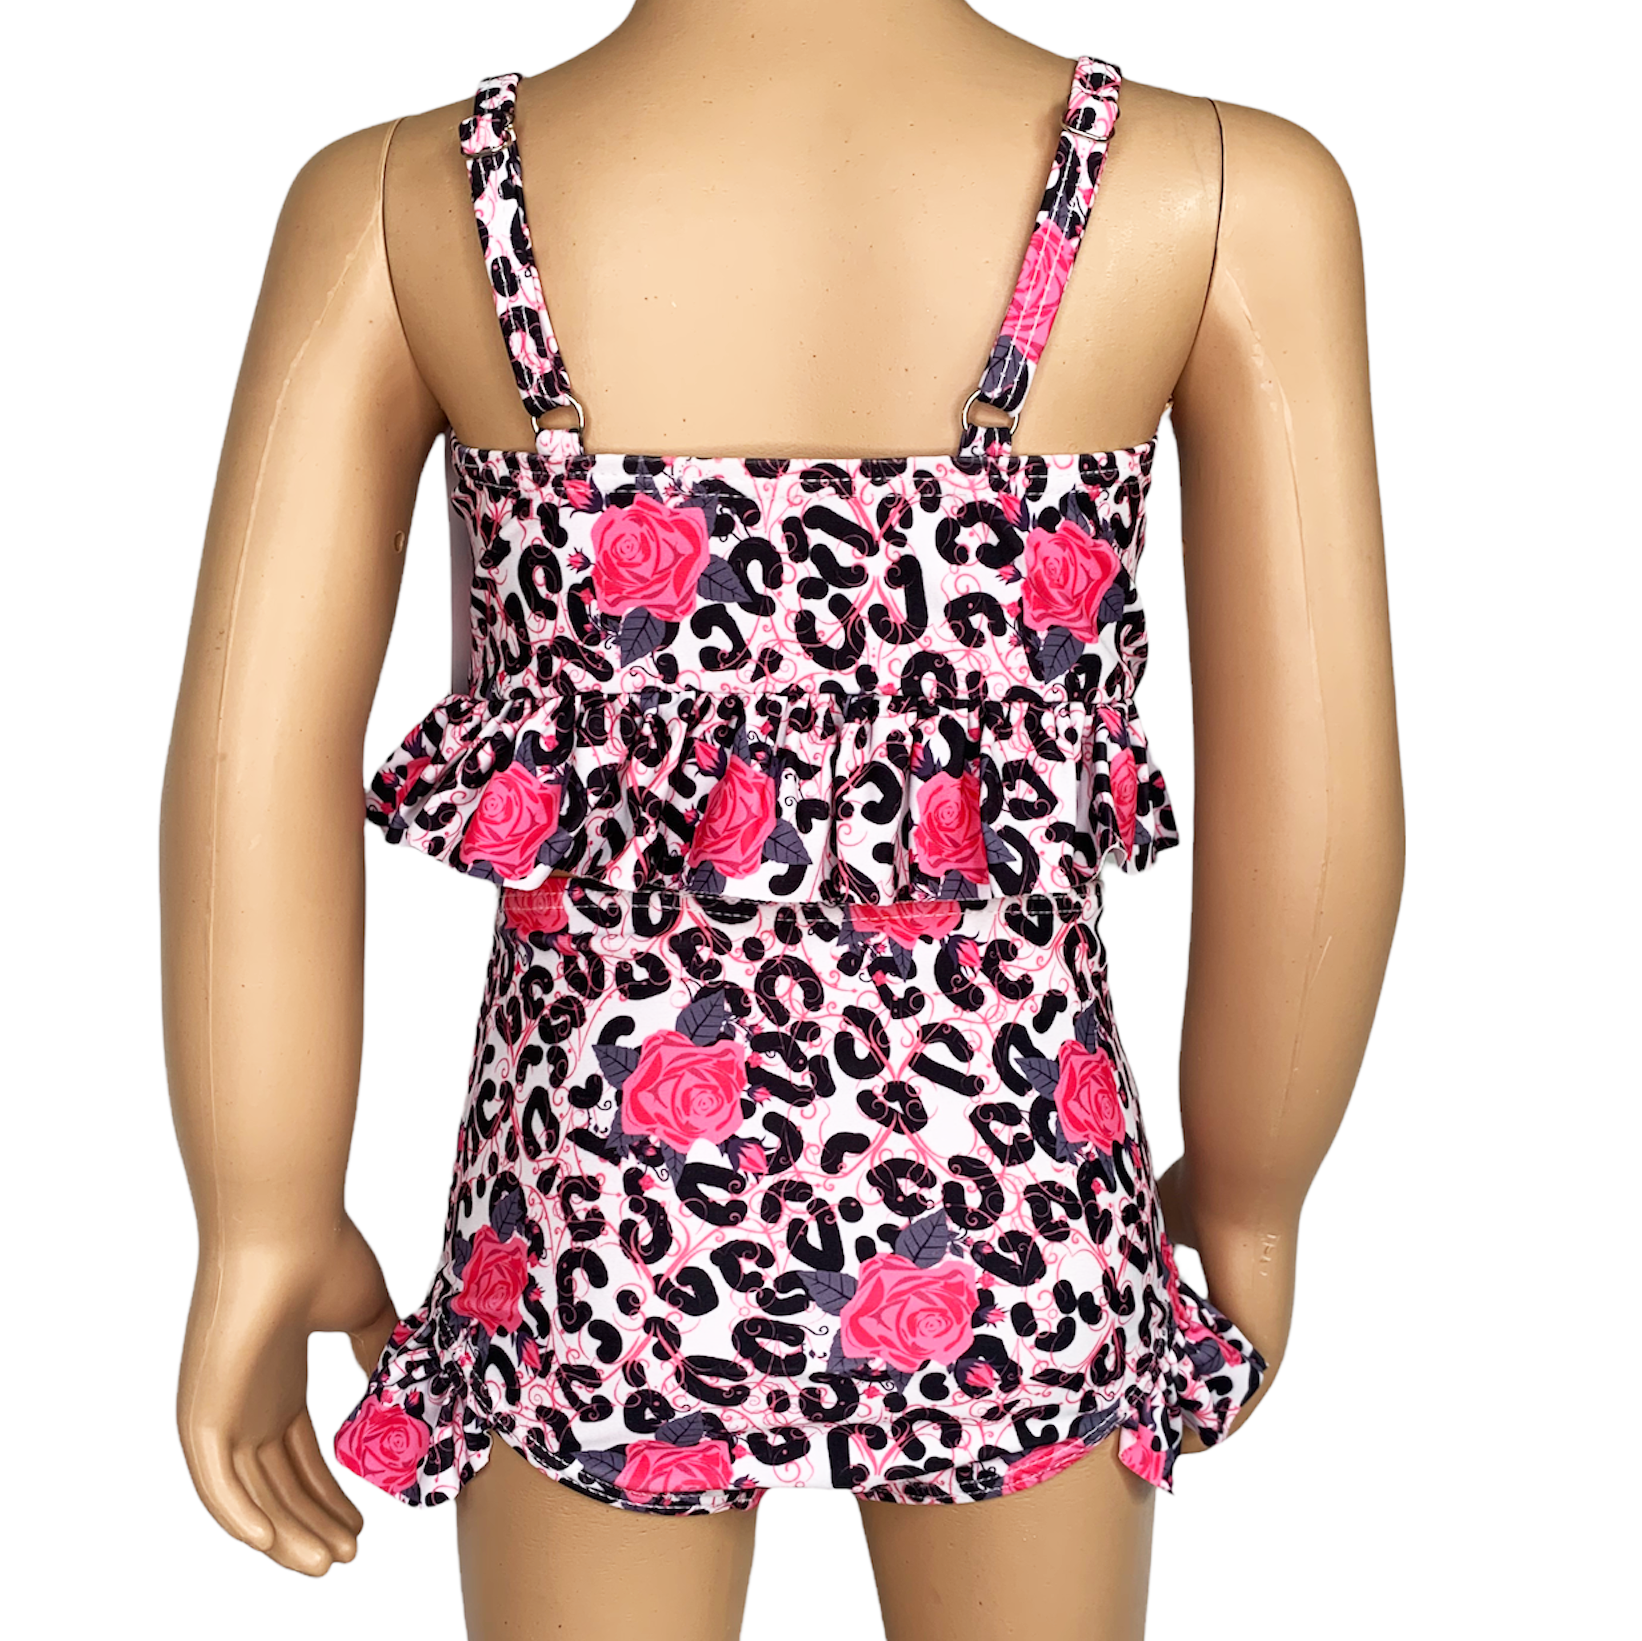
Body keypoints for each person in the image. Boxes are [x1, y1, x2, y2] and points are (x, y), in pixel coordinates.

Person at [161, 4, 1404, 1638]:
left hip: (595, 1202)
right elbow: (1318, 801)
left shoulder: (410, 202)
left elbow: (246, 767)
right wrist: (1252, 1182)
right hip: (1015, 1183)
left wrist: (259, 1211)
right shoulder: (1217, 192)